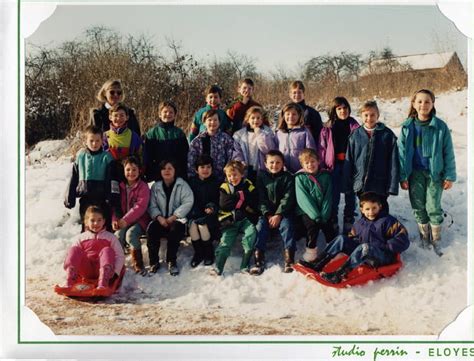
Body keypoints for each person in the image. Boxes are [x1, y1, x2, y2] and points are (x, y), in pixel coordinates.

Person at [300, 192, 410, 284]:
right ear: (361, 209)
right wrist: (354, 245)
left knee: (365, 248)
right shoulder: (360, 223)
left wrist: (385, 246)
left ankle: (339, 274)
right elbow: (351, 238)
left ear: (380, 207)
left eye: (374, 208)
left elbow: (403, 238)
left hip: (382, 256)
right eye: (367, 209)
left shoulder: (387, 221)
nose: (371, 212)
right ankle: (318, 263)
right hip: (364, 254)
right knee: (341, 239)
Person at [398, 89, 456, 254]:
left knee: (432, 206)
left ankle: (436, 239)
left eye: (427, 102)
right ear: (414, 104)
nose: (423, 105)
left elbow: (448, 152)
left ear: (433, 104)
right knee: (418, 205)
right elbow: (401, 153)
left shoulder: (440, 127)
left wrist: (449, 175)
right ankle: (424, 236)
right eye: (420, 101)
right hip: (414, 173)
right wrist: (403, 175)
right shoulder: (407, 127)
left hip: (434, 174)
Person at [343, 100, 399, 213]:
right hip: (361, 183)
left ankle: (383, 229)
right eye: (366, 115)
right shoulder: (355, 135)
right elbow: (349, 160)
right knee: (367, 211)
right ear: (361, 116)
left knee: (381, 210)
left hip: (380, 183)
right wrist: (347, 183)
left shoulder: (387, 135)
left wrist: (392, 185)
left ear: (378, 115)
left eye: (373, 115)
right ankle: (368, 230)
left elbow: (394, 162)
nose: (369, 118)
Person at [318, 96, 360, 235]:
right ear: (334, 110)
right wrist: (322, 166)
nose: (343, 111)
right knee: (334, 195)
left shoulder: (354, 126)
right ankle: (333, 219)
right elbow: (322, 149)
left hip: (350, 164)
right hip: (333, 165)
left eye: (345, 108)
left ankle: (349, 219)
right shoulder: (327, 128)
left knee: (350, 193)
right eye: (339, 108)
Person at [64, 125, 118, 229]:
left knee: (103, 225)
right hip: (86, 197)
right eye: (91, 140)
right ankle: (87, 243)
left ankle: (105, 243)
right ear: (86, 141)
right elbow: (74, 177)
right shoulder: (81, 156)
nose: (94, 144)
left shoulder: (107, 157)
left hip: (102, 198)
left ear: (102, 141)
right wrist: (70, 196)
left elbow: (112, 179)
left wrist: (112, 197)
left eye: (98, 140)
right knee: (88, 224)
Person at [61, 206, 125, 292]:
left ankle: (103, 284)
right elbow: (72, 257)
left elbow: (120, 255)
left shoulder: (110, 237)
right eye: (92, 220)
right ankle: (69, 282)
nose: (96, 223)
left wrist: (116, 272)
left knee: (107, 250)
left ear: (104, 221)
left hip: (105, 270)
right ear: (86, 222)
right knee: (74, 249)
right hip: (86, 270)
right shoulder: (81, 238)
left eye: (99, 220)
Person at [147, 160, 194, 276]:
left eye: (170, 168)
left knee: (175, 231)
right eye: (164, 169)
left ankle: (171, 262)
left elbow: (188, 201)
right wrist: (159, 217)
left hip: (177, 220)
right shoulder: (156, 186)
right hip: (160, 219)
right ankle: (154, 262)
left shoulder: (182, 185)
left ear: (175, 171)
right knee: (152, 230)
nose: (167, 171)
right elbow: (151, 205)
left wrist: (174, 216)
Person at [212, 161, 258, 276]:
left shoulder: (248, 184)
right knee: (226, 241)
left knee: (251, 235)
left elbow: (253, 199)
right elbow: (225, 204)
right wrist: (241, 197)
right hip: (229, 221)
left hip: (245, 220)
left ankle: (245, 265)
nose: (232, 178)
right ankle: (218, 266)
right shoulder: (225, 187)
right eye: (229, 175)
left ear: (242, 174)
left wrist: (237, 200)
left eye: (235, 175)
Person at [253, 150, 296, 275]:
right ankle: (258, 259)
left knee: (287, 226)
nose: (274, 165)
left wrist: (279, 214)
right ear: (265, 164)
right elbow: (261, 198)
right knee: (260, 227)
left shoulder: (288, 177)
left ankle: (289, 259)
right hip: (267, 213)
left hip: (283, 213)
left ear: (283, 164)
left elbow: (288, 198)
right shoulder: (261, 176)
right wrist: (267, 214)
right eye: (271, 162)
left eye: (278, 162)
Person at [112, 156, 151, 276]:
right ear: (123, 171)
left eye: (134, 169)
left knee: (131, 235)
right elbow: (115, 205)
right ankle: (117, 262)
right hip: (124, 219)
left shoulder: (143, 187)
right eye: (128, 170)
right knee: (118, 235)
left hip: (141, 220)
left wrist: (125, 220)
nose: (131, 173)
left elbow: (140, 207)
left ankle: (138, 263)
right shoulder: (120, 186)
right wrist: (115, 219)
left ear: (139, 171)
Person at [295, 148, 335, 263]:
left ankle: (332, 251)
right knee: (311, 227)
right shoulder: (300, 178)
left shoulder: (326, 176)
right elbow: (303, 199)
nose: (310, 165)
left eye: (312, 161)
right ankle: (311, 252)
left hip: (323, 210)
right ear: (302, 165)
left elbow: (328, 196)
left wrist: (325, 214)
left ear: (318, 161)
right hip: (307, 211)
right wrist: (315, 215)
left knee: (328, 226)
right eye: (306, 163)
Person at [187, 155, 221, 267]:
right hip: (195, 212)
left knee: (202, 225)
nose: (205, 170)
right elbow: (189, 200)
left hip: (210, 215)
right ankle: (198, 253)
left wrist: (211, 207)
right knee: (192, 225)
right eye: (202, 167)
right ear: (196, 170)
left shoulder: (216, 182)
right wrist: (195, 212)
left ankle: (208, 253)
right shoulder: (192, 182)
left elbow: (217, 199)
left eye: (208, 167)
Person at [144, 101, 189, 181]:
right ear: (159, 114)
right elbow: (148, 157)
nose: (168, 114)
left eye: (171, 112)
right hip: (157, 175)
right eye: (165, 112)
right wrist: (151, 174)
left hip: (176, 174)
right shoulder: (152, 133)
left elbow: (184, 156)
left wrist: (182, 174)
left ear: (175, 115)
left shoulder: (179, 133)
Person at [187, 109, 234, 182]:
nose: (212, 122)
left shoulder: (226, 139)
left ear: (219, 122)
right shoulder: (198, 140)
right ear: (204, 122)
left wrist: (228, 176)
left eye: (215, 120)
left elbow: (231, 158)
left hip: (221, 179)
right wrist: (193, 178)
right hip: (202, 180)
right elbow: (191, 160)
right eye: (210, 120)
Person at [232, 106, 276, 183]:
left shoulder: (267, 133)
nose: (256, 120)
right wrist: (240, 161)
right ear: (248, 119)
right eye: (253, 118)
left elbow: (268, 150)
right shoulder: (239, 134)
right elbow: (236, 151)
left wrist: (259, 134)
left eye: (258, 118)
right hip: (246, 168)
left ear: (262, 119)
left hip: (262, 168)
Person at [103, 103, 143, 186]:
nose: (118, 118)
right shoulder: (104, 136)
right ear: (110, 117)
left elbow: (140, 155)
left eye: (122, 115)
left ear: (127, 117)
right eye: (116, 115)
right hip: (110, 177)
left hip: (129, 177)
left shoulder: (133, 136)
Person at [275, 102, 316, 174]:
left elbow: (311, 150)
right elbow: (275, 150)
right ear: (283, 116)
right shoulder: (279, 133)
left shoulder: (304, 131)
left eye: (294, 114)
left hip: (301, 170)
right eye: (288, 114)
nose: (291, 116)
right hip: (283, 171)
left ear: (299, 116)